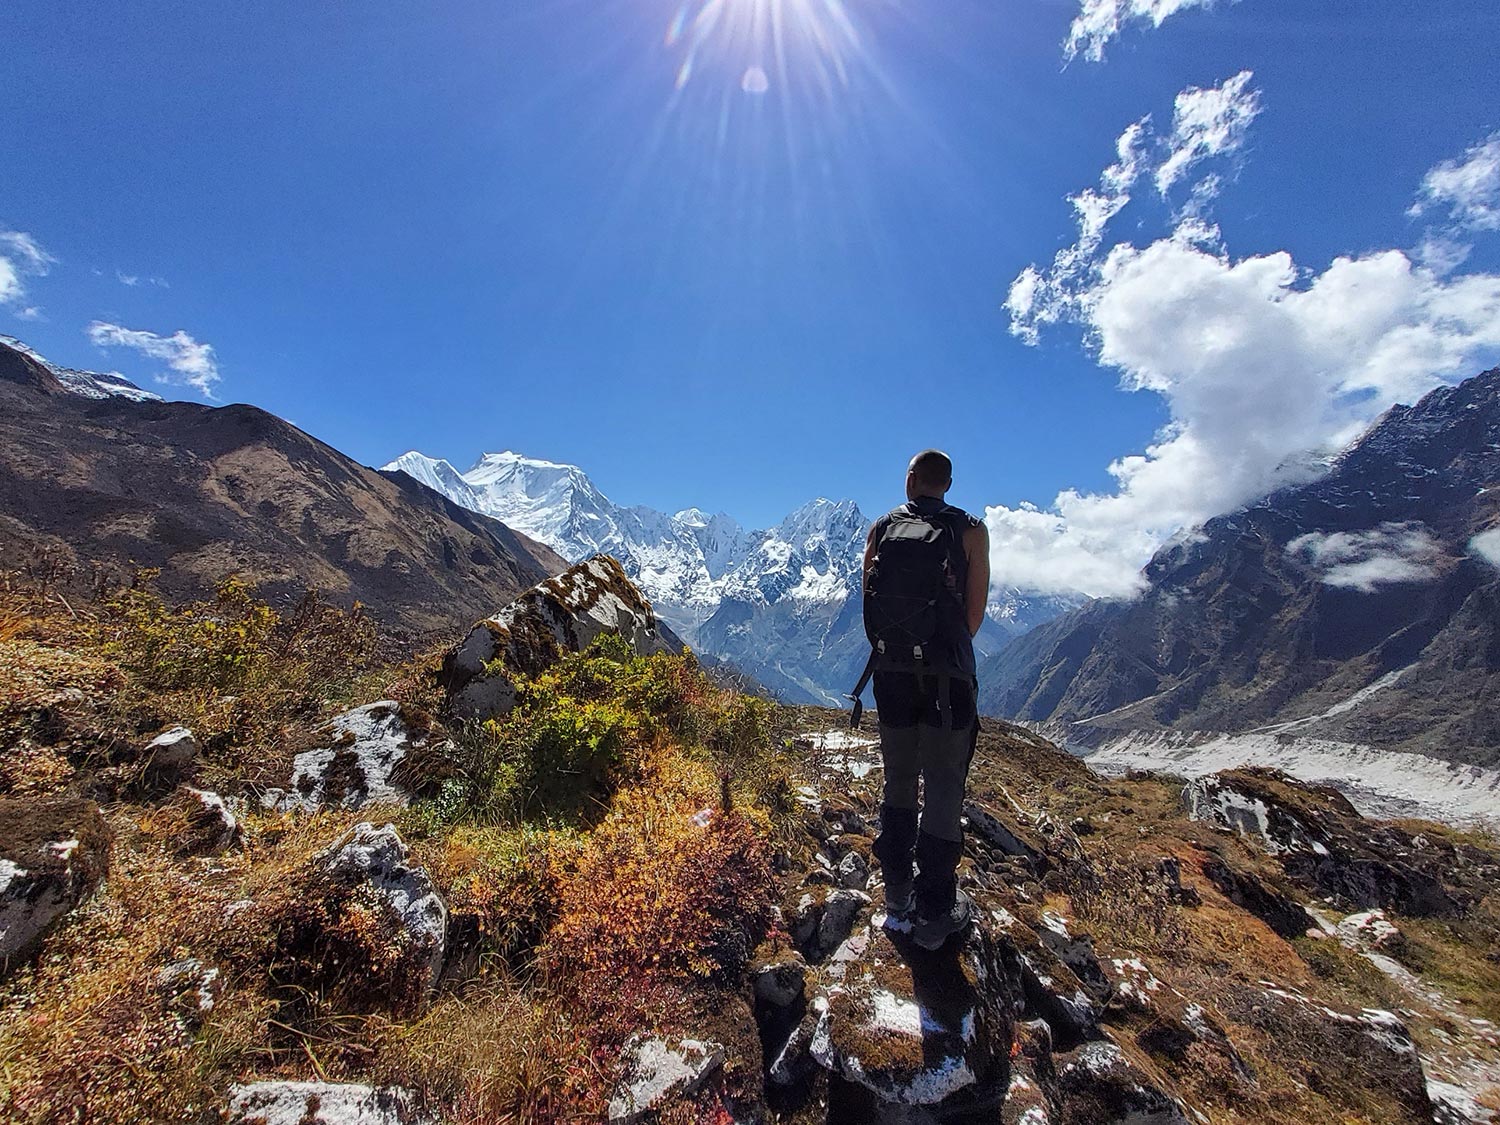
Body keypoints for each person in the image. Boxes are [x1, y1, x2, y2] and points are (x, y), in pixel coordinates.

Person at [856, 449, 989, 951]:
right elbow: (973, 617)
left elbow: (869, 606)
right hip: (947, 682)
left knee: (899, 778)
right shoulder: (970, 531)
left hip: (890, 676)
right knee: (943, 784)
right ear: (948, 485)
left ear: (910, 480)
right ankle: (936, 912)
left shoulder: (881, 529)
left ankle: (896, 895)